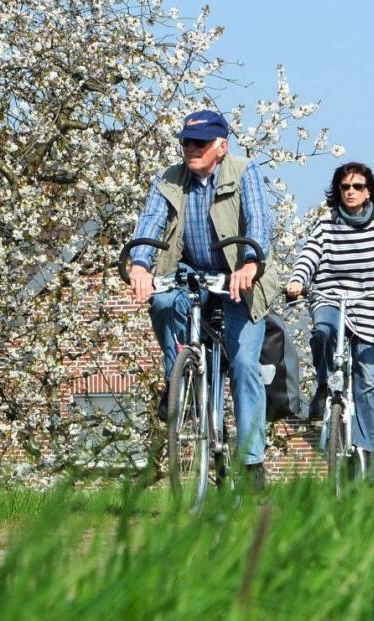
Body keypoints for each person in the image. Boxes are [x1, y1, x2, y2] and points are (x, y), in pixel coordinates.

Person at [126, 110, 281, 490]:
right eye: (186, 143)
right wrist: (140, 264)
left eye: (200, 143)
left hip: (238, 280)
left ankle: (251, 462)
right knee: (162, 304)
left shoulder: (245, 171)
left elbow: (258, 224)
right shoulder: (169, 179)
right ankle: (176, 378)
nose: (190, 149)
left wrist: (248, 263)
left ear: (221, 147)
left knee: (244, 364)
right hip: (189, 275)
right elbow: (150, 223)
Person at [285, 162, 374, 478]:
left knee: (367, 376)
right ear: (337, 191)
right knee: (323, 332)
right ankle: (325, 383)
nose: (350, 192)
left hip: (372, 303)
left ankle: (367, 451)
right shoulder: (327, 223)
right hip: (331, 297)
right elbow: (308, 255)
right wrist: (298, 280)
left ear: (369, 191)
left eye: (357, 187)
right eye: (345, 187)